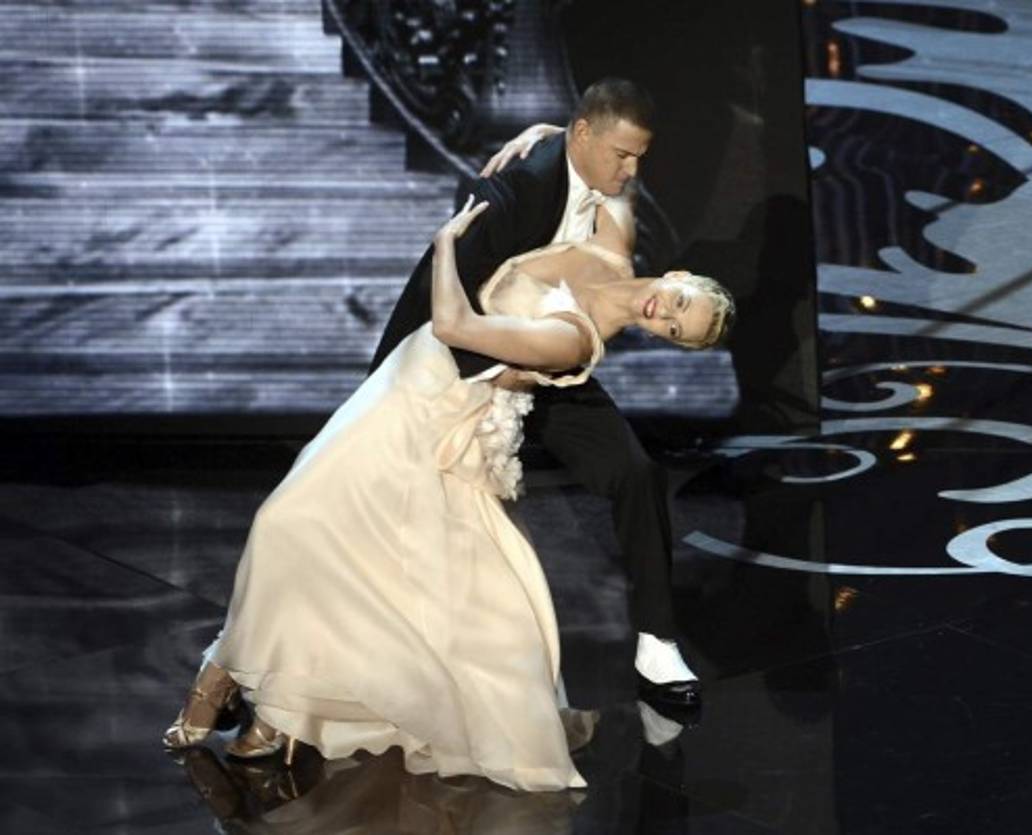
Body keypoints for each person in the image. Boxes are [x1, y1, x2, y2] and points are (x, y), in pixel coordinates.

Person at [162, 190, 736, 791]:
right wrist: (541, 133)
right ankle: (282, 707)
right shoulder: (612, 250)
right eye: (676, 302)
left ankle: (231, 684)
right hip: (403, 383)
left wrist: (445, 246)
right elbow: (609, 160)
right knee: (313, 534)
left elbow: (455, 326)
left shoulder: (576, 340)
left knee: (299, 530)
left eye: (674, 327)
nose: (661, 313)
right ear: (678, 275)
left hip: (434, 411)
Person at [371, 79, 707, 712]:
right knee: (378, 507)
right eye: (622, 156)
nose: (632, 170)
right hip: (463, 365)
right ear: (584, 137)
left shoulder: (609, 187)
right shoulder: (512, 190)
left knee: (635, 473)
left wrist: (554, 130)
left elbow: (604, 184)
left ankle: (657, 643)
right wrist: (490, 376)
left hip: (551, 363)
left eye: (639, 157)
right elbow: (443, 301)